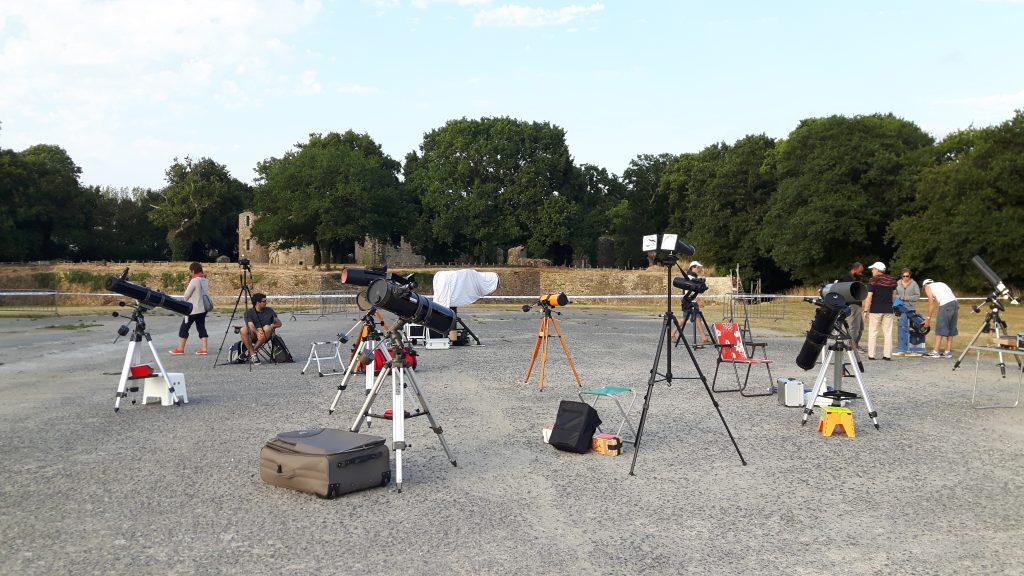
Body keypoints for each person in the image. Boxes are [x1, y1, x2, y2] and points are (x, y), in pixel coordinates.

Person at [170, 262, 211, 355]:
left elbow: (186, 296)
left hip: (193, 309)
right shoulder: (204, 280)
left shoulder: (194, 280)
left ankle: (180, 349)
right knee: (201, 327)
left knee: (184, 328)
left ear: (193, 270)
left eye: (190, 271)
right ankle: (204, 349)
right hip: (203, 309)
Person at [862, 261, 896, 361]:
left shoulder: (873, 281)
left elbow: (869, 297)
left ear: (877, 270)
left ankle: (871, 355)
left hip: (876, 309)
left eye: (873, 269)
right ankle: (887, 355)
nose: (872, 270)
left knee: (873, 332)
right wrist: (891, 305)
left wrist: (865, 311)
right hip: (888, 309)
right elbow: (893, 295)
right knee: (888, 333)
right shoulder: (891, 280)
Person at [241, 292, 282, 365]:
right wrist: (257, 332)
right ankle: (253, 355)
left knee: (267, 327)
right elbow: (250, 325)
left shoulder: (269, 310)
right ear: (258, 303)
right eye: (264, 301)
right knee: (243, 329)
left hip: (266, 334)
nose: (266, 302)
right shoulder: (248, 312)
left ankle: (250, 352)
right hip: (254, 334)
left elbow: (279, 323)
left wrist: (271, 326)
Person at [922, 279, 958, 358]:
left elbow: (931, 303)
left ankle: (936, 351)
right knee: (951, 328)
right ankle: (947, 352)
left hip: (946, 304)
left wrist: (928, 319)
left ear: (924, 285)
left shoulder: (927, 287)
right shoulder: (941, 283)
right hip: (955, 304)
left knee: (940, 327)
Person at [893, 268, 923, 356]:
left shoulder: (914, 284)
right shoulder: (897, 283)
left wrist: (908, 298)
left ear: (910, 276)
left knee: (912, 328)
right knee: (902, 327)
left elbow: (917, 296)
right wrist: (900, 297)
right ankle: (902, 348)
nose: (906, 277)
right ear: (901, 276)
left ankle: (913, 348)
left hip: (910, 308)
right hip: (900, 308)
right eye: (904, 276)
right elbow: (894, 294)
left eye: (907, 276)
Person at [682, 261, 710, 347]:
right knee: (686, 319)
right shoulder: (690, 277)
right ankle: (704, 338)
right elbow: (690, 291)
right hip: (690, 301)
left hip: (691, 301)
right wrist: (698, 300)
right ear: (692, 268)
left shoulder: (692, 277)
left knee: (695, 319)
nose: (698, 269)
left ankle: (704, 338)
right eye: (697, 267)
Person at [839, 262, 866, 352]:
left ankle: (856, 344)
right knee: (855, 326)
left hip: (858, 304)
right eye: (860, 271)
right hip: (852, 304)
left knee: (861, 327)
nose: (861, 273)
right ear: (855, 269)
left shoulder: (857, 278)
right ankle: (852, 345)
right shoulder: (846, 278)